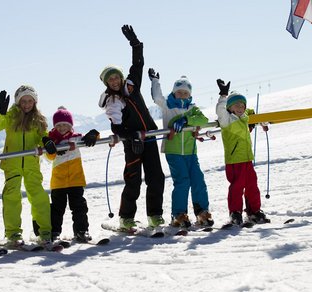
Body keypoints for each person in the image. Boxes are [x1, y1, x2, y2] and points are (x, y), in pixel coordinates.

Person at [98, 25, 165, 230]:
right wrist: (132, 136)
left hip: (150, 137)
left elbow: (138, 64)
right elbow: (116, 128)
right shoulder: (112, 101)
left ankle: (155, 215)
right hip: (133, 143)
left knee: (156, 177)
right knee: (133, 181)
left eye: (116, 77)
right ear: (107, 83)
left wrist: (135, 43)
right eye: (110, 79)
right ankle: (126, 218)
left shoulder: (131, 85)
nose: (115, 81)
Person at [0, 85, 58, 248]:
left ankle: (45, 232)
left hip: (31, 163)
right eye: (23, 101)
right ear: (18, 101)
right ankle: (13, 234)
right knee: (12, 196)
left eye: (30, 101)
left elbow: (43, 136)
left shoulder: (38, 119)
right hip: (12, 163)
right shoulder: (11, 116)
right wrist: (1, 112)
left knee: (38, 196)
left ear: (35, 102)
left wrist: (46, 141)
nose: (27, 104)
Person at [149, 69, 213, 228]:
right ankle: (178, 214)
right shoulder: (168, 105)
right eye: (179, 92)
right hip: (174, 151)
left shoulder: (192, 108)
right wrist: (155, 81)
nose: (182, 95)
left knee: (198, 179)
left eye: (185, 92)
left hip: (191, 152)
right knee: (182, 181)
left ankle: (202, 211)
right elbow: (157, 97)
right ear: (174, 92)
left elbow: (203, 120)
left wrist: (186, 119)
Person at [38, 106, 99, 242]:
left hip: (76, 180)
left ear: (70, 125)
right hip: (59, 182)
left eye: (65, 125)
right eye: (58, 125)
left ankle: (81, 230)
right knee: (57, 209)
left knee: (79, 207)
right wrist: (51, 148)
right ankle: (54, 232)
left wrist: (94, 134)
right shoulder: (52, 141)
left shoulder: (76, 138)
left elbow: (90, 139)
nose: (62, 128)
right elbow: (49, 158)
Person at [216, 79, 270, 225]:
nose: (240, 108)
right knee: (237, 187)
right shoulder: (227, 120)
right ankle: (235, 212)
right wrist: (223, 95)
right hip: (234, 161)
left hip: (247, 159)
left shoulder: (245, 118)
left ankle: (254, 211)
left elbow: (252, 114)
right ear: (230, 107)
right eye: (236, 105)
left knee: (252, 185)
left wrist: (261, 121)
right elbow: (220, 110)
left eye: (242, 105)